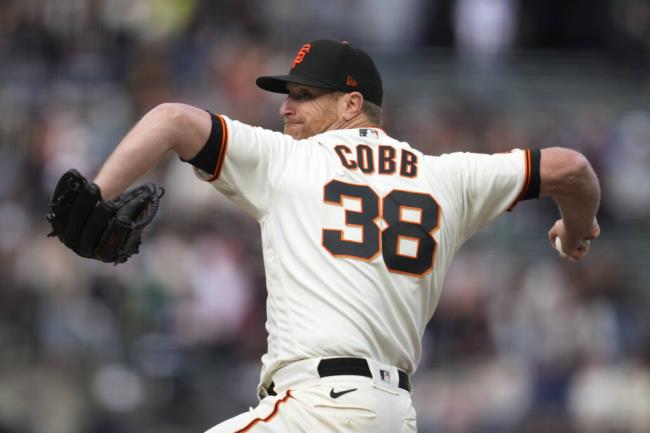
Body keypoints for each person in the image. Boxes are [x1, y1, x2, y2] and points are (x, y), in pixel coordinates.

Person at [90, 40, 601, 432]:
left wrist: (97, 195)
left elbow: (173, 120)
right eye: (289, 96)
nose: (286, 108)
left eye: (305, 96)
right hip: (394, 414)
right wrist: (576, 232)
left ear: (352, 104)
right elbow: (572, 169)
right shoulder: (447, 175)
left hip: (317, 407)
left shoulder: (289, 159)